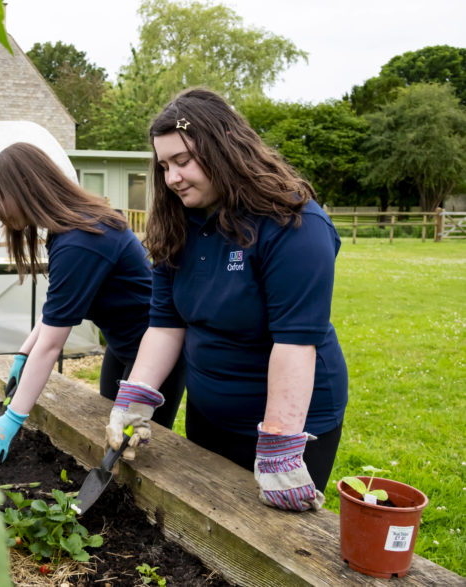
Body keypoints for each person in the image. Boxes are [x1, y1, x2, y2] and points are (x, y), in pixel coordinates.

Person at [105, 88, 347, 512]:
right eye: (164, 166)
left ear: (224, 148)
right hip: (209, 413)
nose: (172, 178)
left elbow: (295, 342)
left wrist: (278, 444)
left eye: (183, 161)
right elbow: (165, 324)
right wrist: (135, 400)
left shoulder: (294, 225)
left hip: (292, 426)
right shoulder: (177, 224)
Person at [0, 142, 185, 463]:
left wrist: (14, 418)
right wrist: (23, 353)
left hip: (155, 355)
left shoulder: (82, 240)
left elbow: (52, 344)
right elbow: (55, 310)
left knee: (133, 453)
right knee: (108, 437)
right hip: (121, 345)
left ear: (24, 188)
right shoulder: (69, 230)